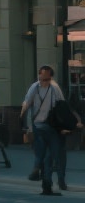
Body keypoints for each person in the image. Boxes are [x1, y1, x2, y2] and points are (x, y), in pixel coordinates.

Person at [20, 65, 82, 195]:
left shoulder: (53, 88)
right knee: (51, 155)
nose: (43, 82)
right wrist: (23, 121)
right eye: (41, 79)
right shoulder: (36, 87)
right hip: (42, 127)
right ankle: (51, 181)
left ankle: (44, 179)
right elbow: (26, 104)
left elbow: (62, 108)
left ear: (50, 78)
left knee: (46, 156)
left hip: (49, 127)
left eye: (46, 79)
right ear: (39, 77)